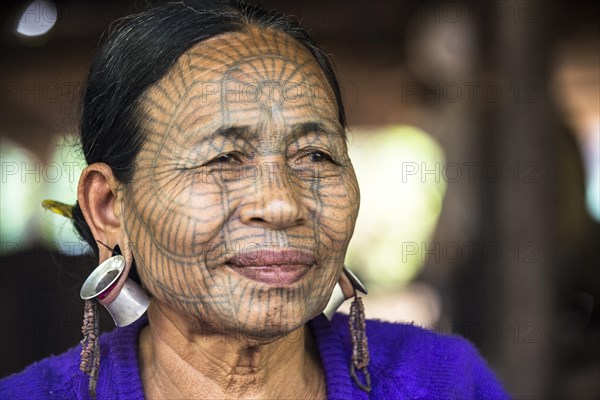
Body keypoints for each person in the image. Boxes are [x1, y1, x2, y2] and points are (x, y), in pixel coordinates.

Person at [0, 1, 510, 399]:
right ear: (110, 208)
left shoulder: (444, 382)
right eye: (223, 159)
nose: (283, 205)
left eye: (315, 155)